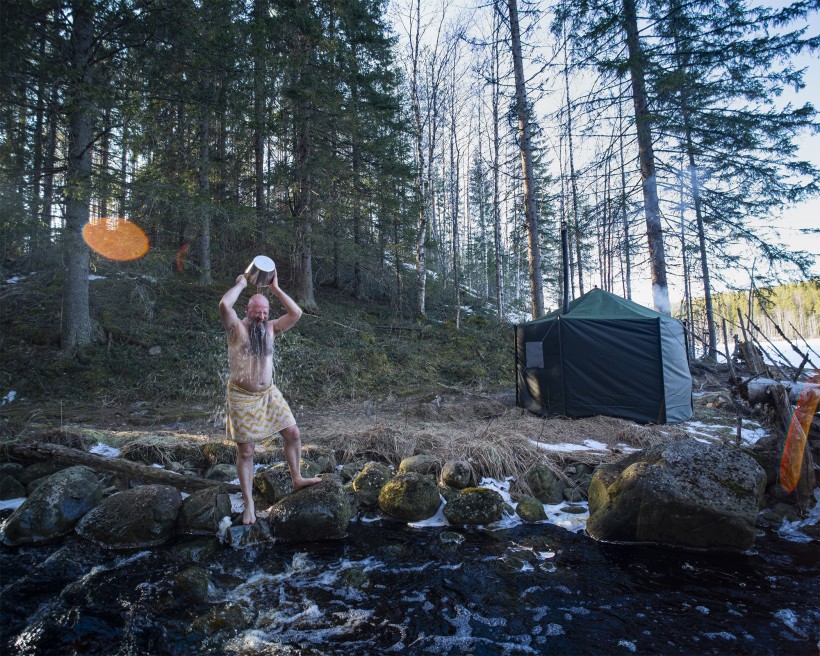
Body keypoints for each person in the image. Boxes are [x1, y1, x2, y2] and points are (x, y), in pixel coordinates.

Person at [219, 269, 321, 524]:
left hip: (269, 393)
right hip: (241, 396)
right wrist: (242, 283)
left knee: (293, 433)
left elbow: (296, 313)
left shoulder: (271, 328)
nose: (262, 316)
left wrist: (275, 289)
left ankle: (296, 478)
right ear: (247, 310)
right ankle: (249, 505)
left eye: (265, 312)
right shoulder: (236, 330)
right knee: (246, 452)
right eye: (257, 312)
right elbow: (224, 304)